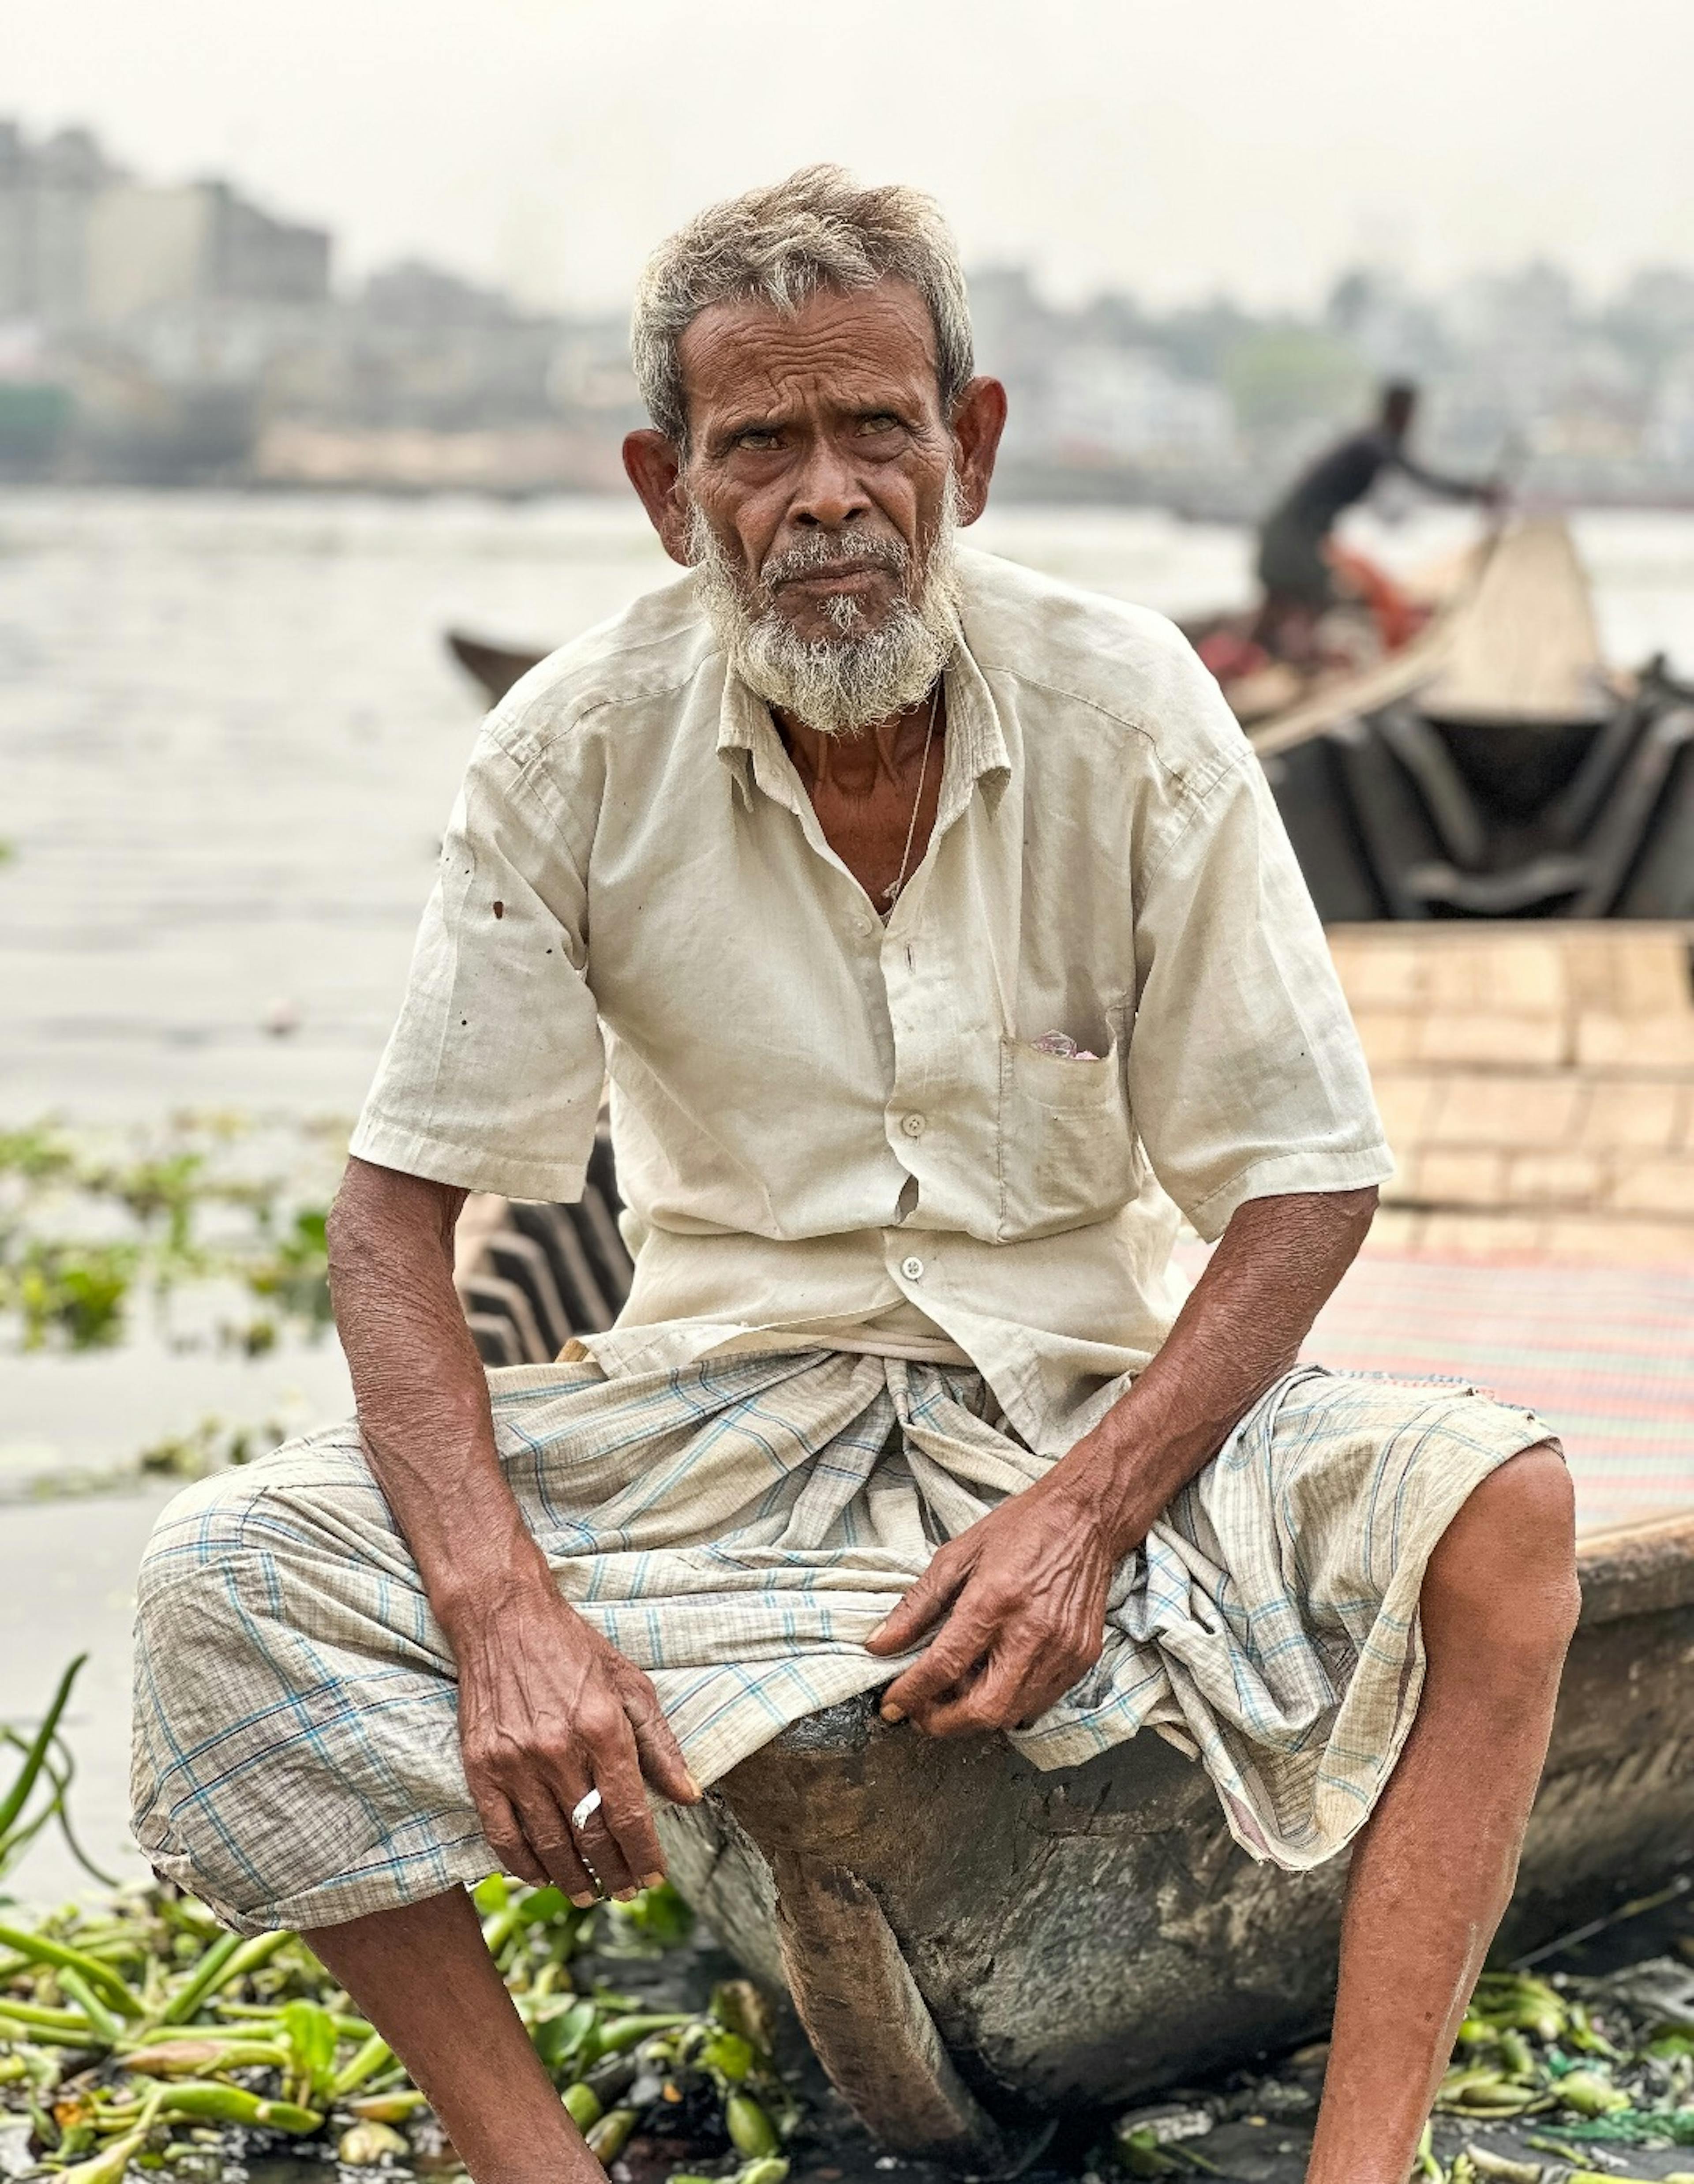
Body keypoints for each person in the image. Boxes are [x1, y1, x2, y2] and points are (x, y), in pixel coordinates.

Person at [131, 168, 1577, 2184]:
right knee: (223, 1574)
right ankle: (525, 2159)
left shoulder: (1131, 706)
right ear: (669, 491)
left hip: (1069, 1404)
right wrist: (501, 1617)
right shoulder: (569, 752)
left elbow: (1305, 1179)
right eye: (760, 446)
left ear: (965, 450)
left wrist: (1087, 1512)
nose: (826, 495)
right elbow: (397, 1222)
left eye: (876, 428)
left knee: (1504, 1515)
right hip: (711, 1416)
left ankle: (1361, 2163)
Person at [1253, 380, 1499, 658]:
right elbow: (1417, 475)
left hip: (1294, 535)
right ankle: (1296, 662)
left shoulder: (1370, 443)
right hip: (1293, 537)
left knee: (1288, 601)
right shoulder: (1374, 444)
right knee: (1315, 595)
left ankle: (1273, 658)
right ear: (1403, 412)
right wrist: (1473, 492)